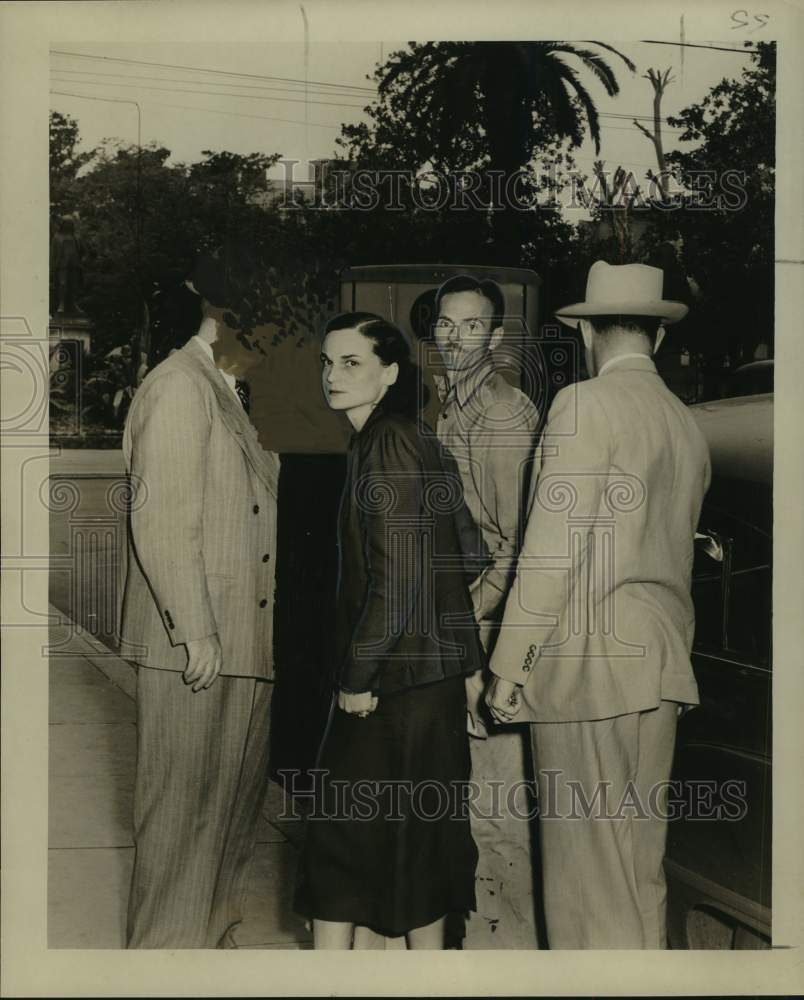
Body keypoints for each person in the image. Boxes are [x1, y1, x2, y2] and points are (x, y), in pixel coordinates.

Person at [486, 260, 711, 949]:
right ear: (659, 339)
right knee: (639, 877)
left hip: (590, 671)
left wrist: (510, 664)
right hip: (661, 668)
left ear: (585, 332)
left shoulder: (584, 405)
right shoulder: (684, 422)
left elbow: (551, 551)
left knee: (587, 888)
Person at [295, 312, 483, 950]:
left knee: (341, 850)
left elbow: (398, 576)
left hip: (391, 688)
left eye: (351, 363)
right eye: (328, 361)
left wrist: (359, 675)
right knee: (411, 854)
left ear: (390, 373)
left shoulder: (388, 443)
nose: (332, 375)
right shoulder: (405, 437)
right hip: (422, 686)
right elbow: (471, 551)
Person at [120, 249, 280, 948]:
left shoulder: (226, 390)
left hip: (242, 643)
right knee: (181, 827)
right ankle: (161, 963)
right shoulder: (180, 387)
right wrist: (197, 632)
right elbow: (161, 517)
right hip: (203, 646)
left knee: (223, 825)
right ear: (225, 316)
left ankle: (206, 948)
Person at [432, 274, 540, 948]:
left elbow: (517, 544)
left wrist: (466, 622)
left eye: (472, 326)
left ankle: (513, 954)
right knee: (474, 809)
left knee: (498, 814)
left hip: (491, 640)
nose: (454, 337)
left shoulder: (501, 415)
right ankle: (482, 944)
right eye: (445, 323)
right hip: (467, 634)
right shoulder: (453, 407)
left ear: (496, 337)